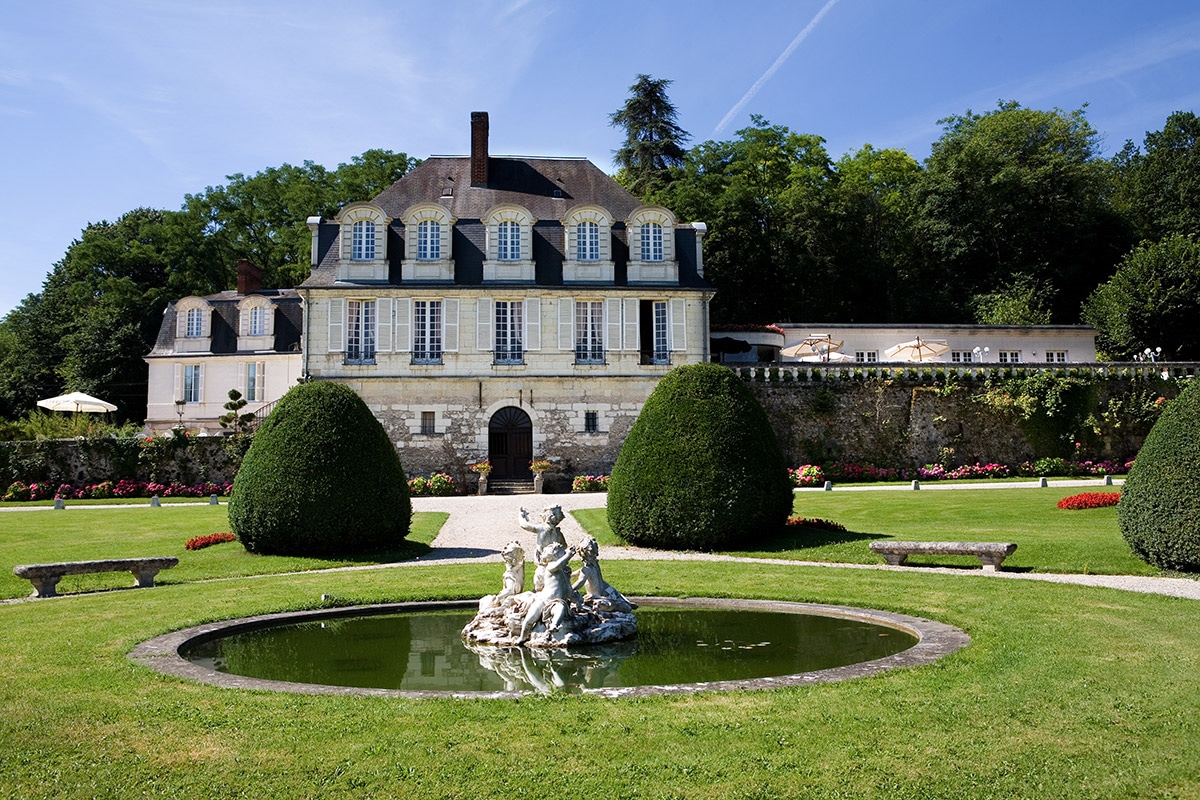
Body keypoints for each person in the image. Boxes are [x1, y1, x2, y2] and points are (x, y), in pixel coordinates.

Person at [516, 541, 575, 643]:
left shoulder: (563, 571)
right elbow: (558, 564)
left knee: (560, 609)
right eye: (562, 553)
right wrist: (569, 555)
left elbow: (567, 587)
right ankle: (523, 636)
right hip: (543, 600)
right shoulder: (551, 567)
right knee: (530, 619)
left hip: (556, 601)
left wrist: (575, 598)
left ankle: (554, 625)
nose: (564, 553)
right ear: (555, 556)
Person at [571, 535, 636, 613]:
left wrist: (609, 589)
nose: (596, 555)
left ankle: (627, 603)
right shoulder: (587, 569)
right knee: (622, 607)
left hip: (603, 592)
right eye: (594, 553)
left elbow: (599, 580)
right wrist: (569, 591)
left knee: (617, 595)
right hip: (596, 597)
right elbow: (580, 582)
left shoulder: (594, 566)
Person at [478, 540, 525, 612]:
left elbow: (510, 590)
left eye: (506, 561)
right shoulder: (519, 568)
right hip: (513, 598)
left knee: (487, 602)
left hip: (507, 601)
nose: (506, 563)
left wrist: (499, 597)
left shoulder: (510, 575)